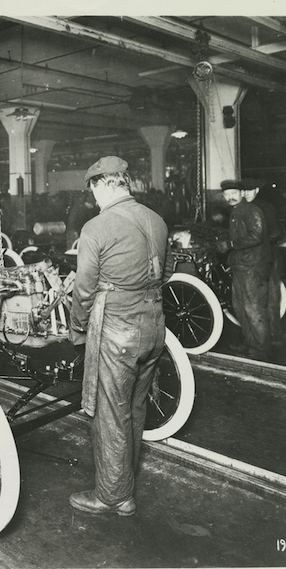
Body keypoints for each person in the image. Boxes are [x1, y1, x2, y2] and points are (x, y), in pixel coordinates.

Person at [69, 156, 172, 517]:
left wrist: (77, 328)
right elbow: (166, 271)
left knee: (111, 412)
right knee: (135, 407)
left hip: (118, 331)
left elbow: (83, 290)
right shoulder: (156, 220)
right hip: (154, 326)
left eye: (93, 190)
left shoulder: (96, 227)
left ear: (102, 185)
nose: (93, 198)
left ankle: (114, 496)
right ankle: (124, 482)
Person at [216, 179, 272, 360]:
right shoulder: (236, 212)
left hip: (252, 267)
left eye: (234, 193)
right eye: (227, 194)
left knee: (253, 308)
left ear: (242, 194)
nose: (230, 197)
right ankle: (250, 343)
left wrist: (231, 244)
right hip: (241, 266)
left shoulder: (251, 210)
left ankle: (261, 349)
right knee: (240, 307)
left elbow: (256, 235)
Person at [242, 178, 284, 346]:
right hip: (256, 256)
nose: (246, 194)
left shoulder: (266, 207)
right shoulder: (243, 209)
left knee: (271, 297)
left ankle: (275, 336)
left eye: (250, 190)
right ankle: (262, 338)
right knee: (256, 300)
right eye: (243, 191)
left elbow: (276, 233)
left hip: (270, 255)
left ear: (257, 190)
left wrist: (257, 242)